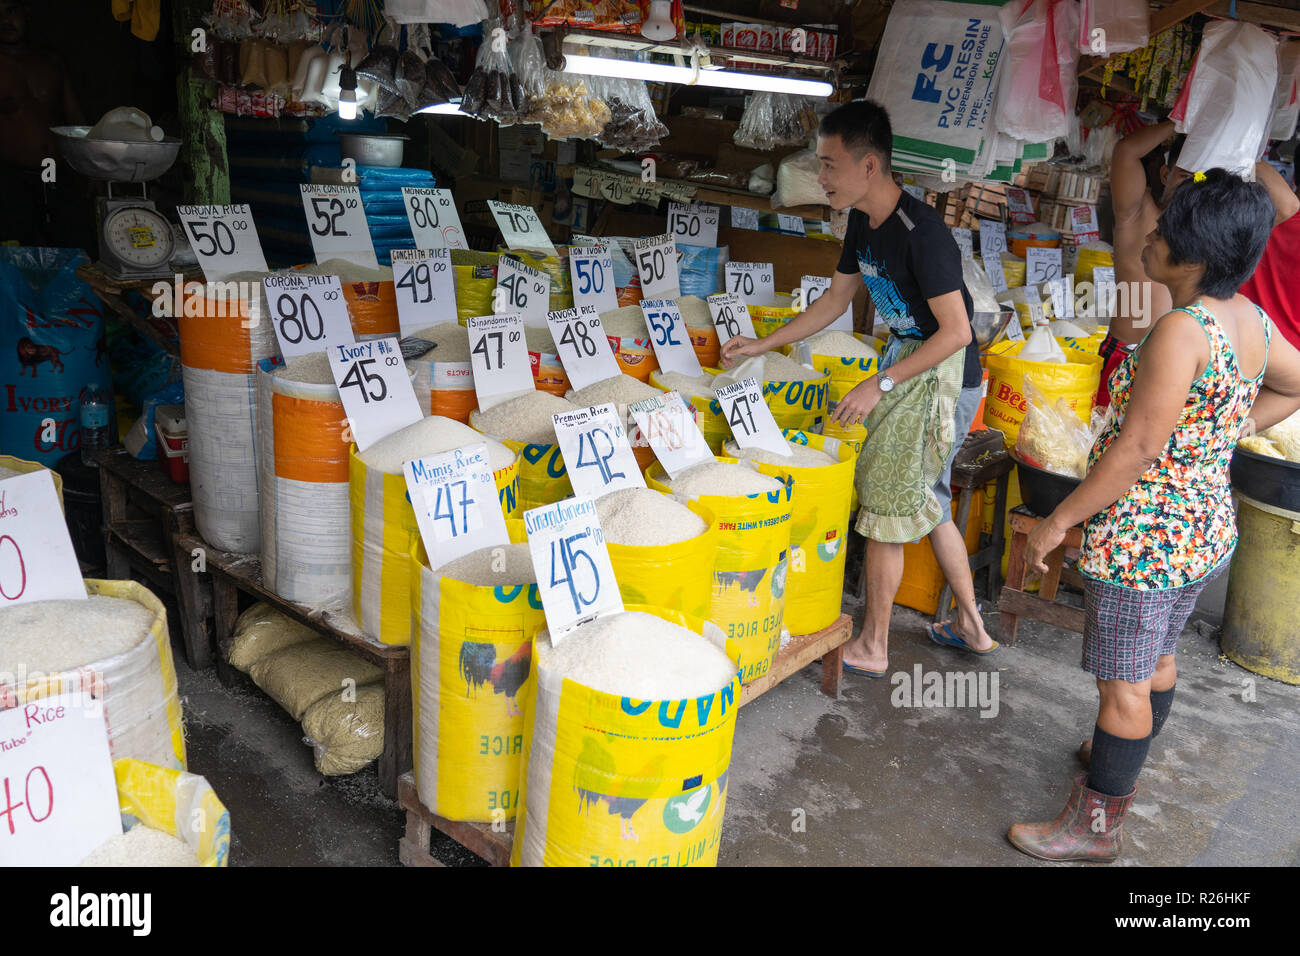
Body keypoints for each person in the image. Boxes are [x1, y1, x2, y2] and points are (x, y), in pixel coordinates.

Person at [1007, 169, 1300, 862]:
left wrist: (1056, 523)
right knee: (1157, 658)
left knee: (1124, 682)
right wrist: (1216, 436)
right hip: (1200, 528)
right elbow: (1294, 382)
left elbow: (1136, 450)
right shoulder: (1251, 320)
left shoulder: (1181, 329)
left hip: (1145, 540)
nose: (1151, 237)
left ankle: (1096, 825)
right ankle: (1120, 750)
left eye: (1167, 232)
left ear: (1194, 259)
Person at [720, 100, 993, 676]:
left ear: (870, 166)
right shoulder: (861, 227)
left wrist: (880, 382)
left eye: (828, 164)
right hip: (906, 365)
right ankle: (972, 623)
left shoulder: (924, 234)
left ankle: (873, 645)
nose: (820, 177)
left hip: (940, 376)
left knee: (887, 503)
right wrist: (763, 345)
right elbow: (834, 301)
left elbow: (958, 332)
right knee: (926, 498)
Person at [1100, 121, 1298, 408]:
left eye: (1204, 178)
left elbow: (1287, 206)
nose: (1195, 185)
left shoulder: (1214, 239)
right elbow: (1126, 151)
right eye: (1187, 175)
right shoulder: (1138, 215)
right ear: (1166, 173)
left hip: (1187, 368)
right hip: (1127, 354)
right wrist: (1189, 118)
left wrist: (1239, 141)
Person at [0, 0, 84, 243]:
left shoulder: (50, 61)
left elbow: (75, 119)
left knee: (69, 248)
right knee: (18, 254)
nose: (5, 21)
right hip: (11, 179)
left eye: (11, 10)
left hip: (59, 175)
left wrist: (94, 173)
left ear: (26, 13)